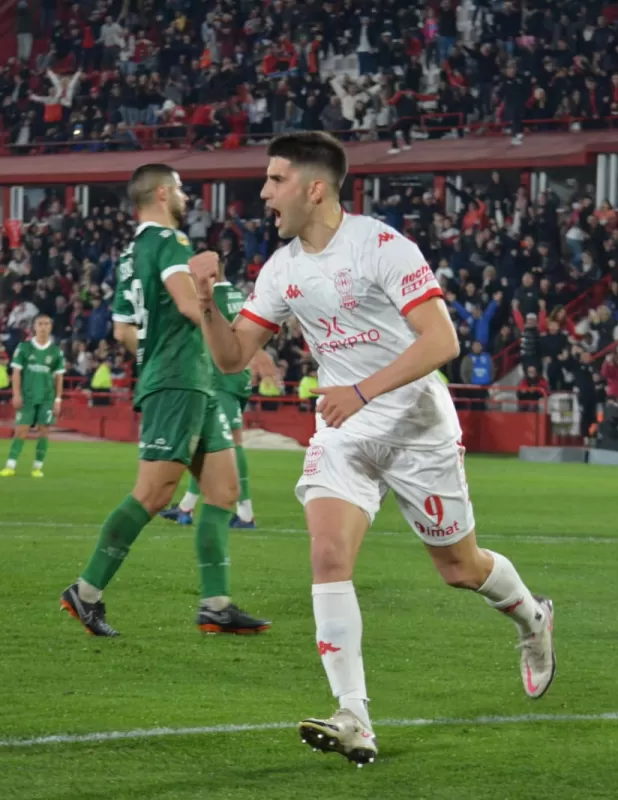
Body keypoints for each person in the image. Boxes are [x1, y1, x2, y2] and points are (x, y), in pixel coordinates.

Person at [192, 132, 555, 766]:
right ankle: (353, 716)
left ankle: (533, 619)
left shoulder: (382, 246)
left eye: (276, 180)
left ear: (315, 189)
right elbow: (231, 358)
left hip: (416, 427)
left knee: (459, 569)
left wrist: (361, 391)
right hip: (344, 429)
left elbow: (442, 341)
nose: (264, 193)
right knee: (328, 555)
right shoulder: (281, 269)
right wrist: (205, 302)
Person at [60, 163, 269, 638]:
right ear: (160, 193)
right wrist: (239, 343)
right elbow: (188, 303)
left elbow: (122, 331)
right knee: (154, 494)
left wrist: (157, 354)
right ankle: (85, 591)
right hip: (180, 380)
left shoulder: (130, 254)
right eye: (179, 189)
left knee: (223, 491)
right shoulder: (170, 241)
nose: (185, 197)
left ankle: (216, 605)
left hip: (191, 379)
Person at [160, 260, 274, 529]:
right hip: (238, 377)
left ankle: (245, 513)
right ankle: (186, 506)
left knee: (231, 442)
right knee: (207, 442)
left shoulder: (214, 300)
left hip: (221, 377)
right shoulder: (238, 295)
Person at [0, 315, 64, 478]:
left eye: (46, 324)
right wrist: (16, 394)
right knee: (21, 430)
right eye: (40, 324)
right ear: (34, 327)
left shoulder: (56, 351)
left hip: (47, 398)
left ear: (51, 327)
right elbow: (16, 372)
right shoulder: (24, 347)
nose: (43, 327)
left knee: (44, 431)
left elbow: (59, 377)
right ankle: (10, 466)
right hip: (27, 397)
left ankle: (37, 468)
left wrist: (58, 400)